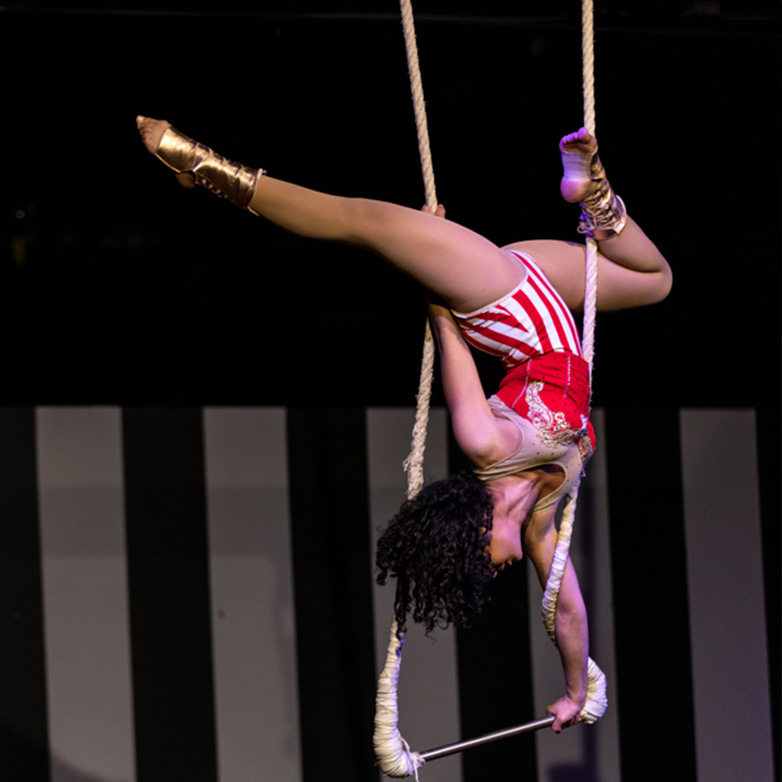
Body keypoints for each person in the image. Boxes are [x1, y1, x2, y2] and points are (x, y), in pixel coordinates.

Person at [136, 116, 672, 732]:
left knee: (363, 222)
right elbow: (568, 614)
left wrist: (434, 265)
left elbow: (454, 348)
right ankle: (593, 190)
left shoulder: (485, 444)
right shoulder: (543, 518)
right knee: (657, 283)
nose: (496, 569)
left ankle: (205, 166)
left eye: (481, 563)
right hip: (543, 292)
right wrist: (578, 687)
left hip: (501, 296)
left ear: (474, 530)